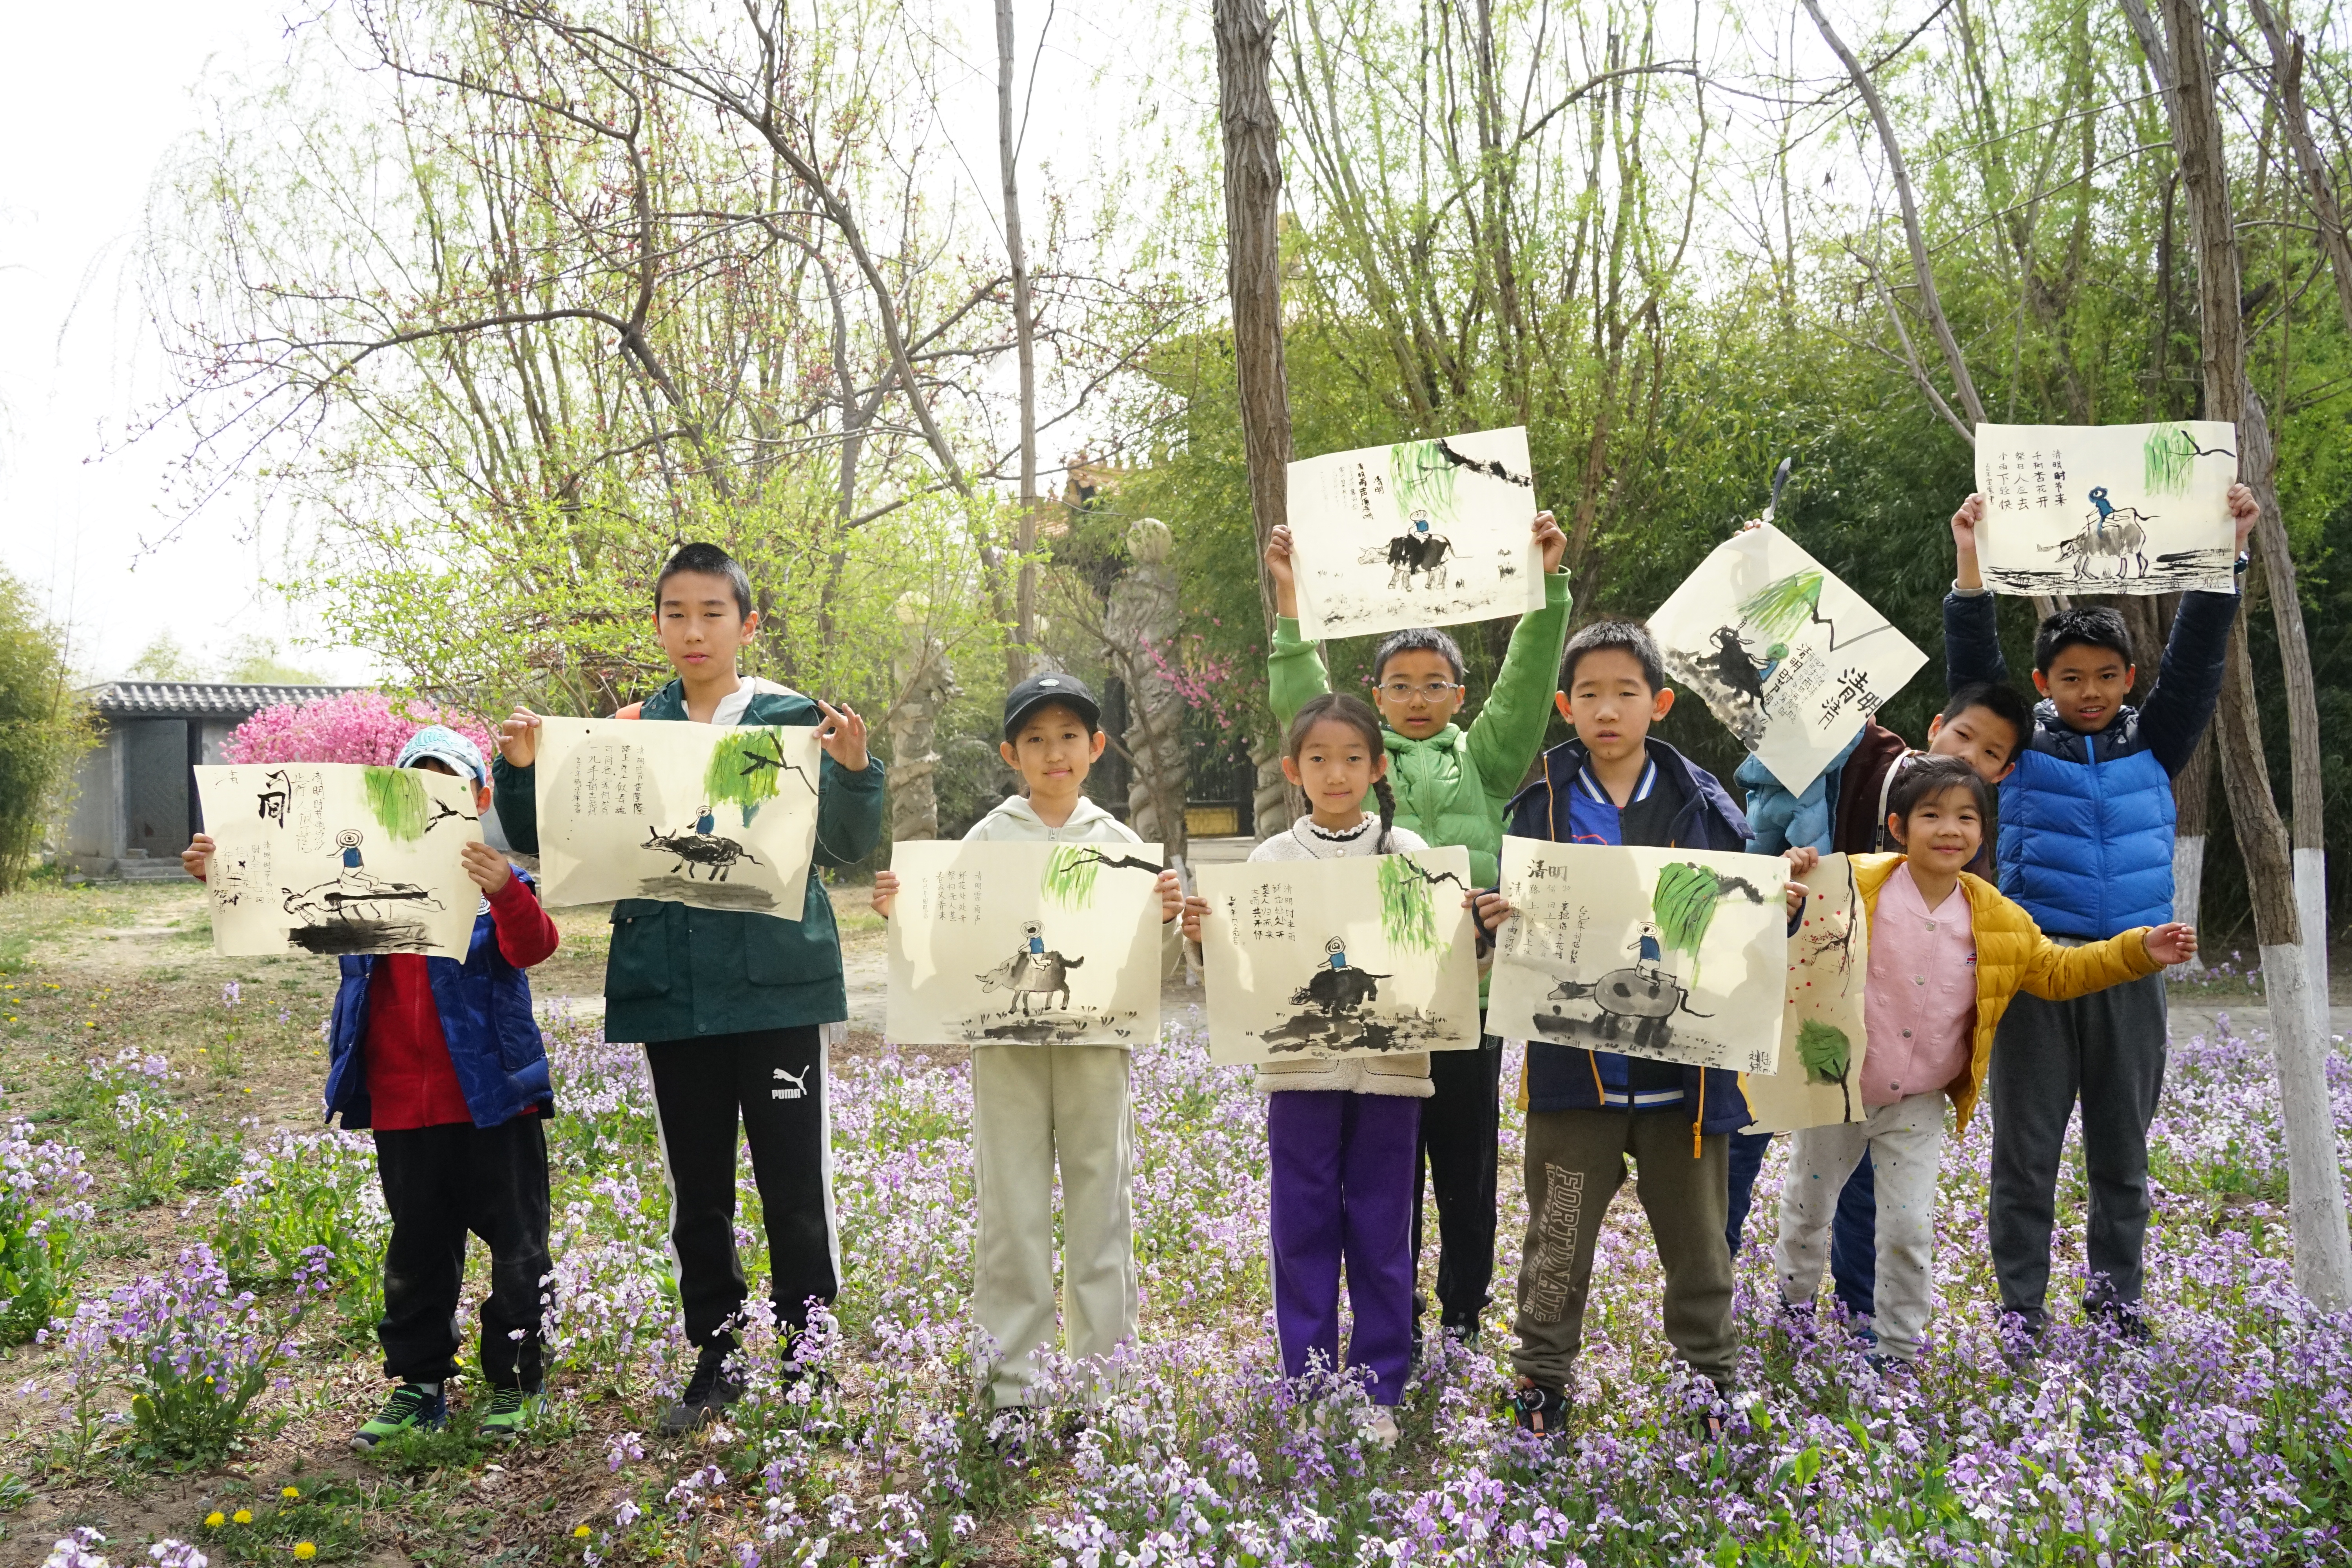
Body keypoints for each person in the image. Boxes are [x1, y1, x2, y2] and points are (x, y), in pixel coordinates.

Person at [492, 541, 885, 1432]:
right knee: (696, 1186)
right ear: (659, 626)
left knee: (795, 1181)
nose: (695, 629)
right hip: (672, 990)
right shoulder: (628, 727)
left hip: (779, 987)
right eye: (677, 613)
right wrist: (522, 768)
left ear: (748, 624)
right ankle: (717, 1353)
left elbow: (851, 849)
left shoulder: (794, 720)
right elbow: (555, 837)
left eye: (714, 612)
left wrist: (856, 771)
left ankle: (808, 1353)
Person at [183, 727, 562, 1448]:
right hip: (399, 1101)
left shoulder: (496, 881)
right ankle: (420, 1387)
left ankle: (517, 1381)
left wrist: (505, 890)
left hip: (494, 1098)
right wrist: (224, 875)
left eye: (446, 787)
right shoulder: (352, 875)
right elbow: (278, 905)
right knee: (418, 1249)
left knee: (518, 1245)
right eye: (411, 787)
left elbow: (533, 947)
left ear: (478, 798)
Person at [1945, 483, 2256, 1340]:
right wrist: (1970, 562)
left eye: (2108, 677)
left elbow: (2198, 656)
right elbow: (1971, 674)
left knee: (2122, 1155)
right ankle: (2021, 1312)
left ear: (2129, 679)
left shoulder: (2160, 738)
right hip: (2036, 973)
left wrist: (2224, 553)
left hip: (2133, 963)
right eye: (2072, 677)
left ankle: (2118, 1307)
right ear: (2043, 682)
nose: (2091, 691)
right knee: (2026, 1155)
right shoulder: (2018, 748)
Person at [1263, 508, 1572, 1354]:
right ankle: (1385, 1313)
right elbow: (1301, 704)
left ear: (1459, 697)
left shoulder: (1488, 758)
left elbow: (1522, 686)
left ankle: (1464, 1312)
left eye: (1436, 683)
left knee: (1468, 1167)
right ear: (1374, 697)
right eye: (1399, 683)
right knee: (1385, 1173)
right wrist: (1291, 608)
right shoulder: (1359, 761)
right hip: (1380, 1010)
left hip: (1467, 995)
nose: (1418, 697)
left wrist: (1546, 589)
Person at [1772, 756, 2196, 1368]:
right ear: (1898, 826)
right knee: (1809, 1212)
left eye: (1967, 817)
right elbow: (1785, 911)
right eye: (1932, 815)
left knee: (1910, 1232)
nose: (1951, 829)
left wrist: (2139, 950)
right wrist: (1790, 873)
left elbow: (2057, 970)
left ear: (1982, 832)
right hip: (1836, 1090)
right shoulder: (1857, 882)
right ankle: (1793, 1313)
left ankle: (1896, 1354)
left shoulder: (1994, 915)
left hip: (1915, 1103)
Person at [1470, 621, 1752, 1440]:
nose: (1607, 708)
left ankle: (1712, 1379)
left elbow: (1743, 924)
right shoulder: (1539, 805)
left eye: (1626, 691)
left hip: (1687, 1083)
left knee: (1700, 1246)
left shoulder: (1707, 803)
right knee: (1556, 1239)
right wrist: (1497, 919)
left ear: (1659, 703)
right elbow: (1518, 932)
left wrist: (1780, 905)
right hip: (1573, 1076)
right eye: (1589, 693)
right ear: (1564, 706)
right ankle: (1541, 1381)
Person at [871, 672, 1182, 1413]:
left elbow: (1150, 973)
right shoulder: (986, 841)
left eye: (1069, 737)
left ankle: (1104, 1385)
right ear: (1012, 755)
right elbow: (952, 946)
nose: (1054, 754)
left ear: (1096, 747)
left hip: (1096, 1049)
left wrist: (1164, 919)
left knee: (1102, 1202)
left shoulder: (1121, 844)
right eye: (1036, 740)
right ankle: (1013, 1384)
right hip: (1004, 1049)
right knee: (1011, 1204)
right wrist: (902, 914)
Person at [1180, 693, 1459, 1450]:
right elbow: (1239, 974)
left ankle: (1378, 1389)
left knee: (1382, 1226)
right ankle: (1306, 1379)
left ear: (1376, 767)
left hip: (1394, 1075)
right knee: (1300, 1225)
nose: (1336, 775)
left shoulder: (1411, 856)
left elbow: (1448, 969)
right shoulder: (1269, 862)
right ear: (1292, 769)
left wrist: (1476, 931)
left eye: (1352, 759)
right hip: (1299, 1077)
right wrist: (1204, 939)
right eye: (1318, 760)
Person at [1724, 680, 2037, 1325]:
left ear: (2002, 775)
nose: (1970, 756)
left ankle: (1861, 1311)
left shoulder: (1966, 865)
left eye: (1990, 754)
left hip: (1867, 1042)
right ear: (1934, 728)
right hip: (1785, 978)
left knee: (1869, 1176)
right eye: (1964, 736)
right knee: (1742, 1135)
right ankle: (1712, 1284)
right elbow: (1786, 717)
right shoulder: (1865, 749)